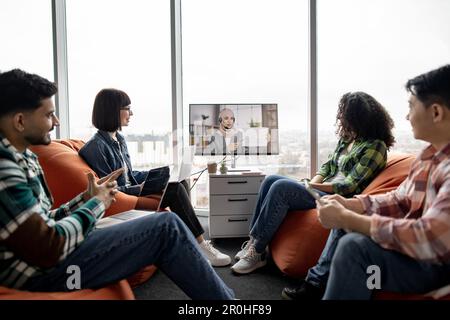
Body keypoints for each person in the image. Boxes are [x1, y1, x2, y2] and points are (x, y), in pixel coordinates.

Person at [0, 69, 234, 299]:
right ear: (20, 121)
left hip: (48, 256)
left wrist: (84, 200)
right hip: (43, 272)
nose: (56, 121)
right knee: (166, 226)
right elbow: (48, 246)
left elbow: (43, 222)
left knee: (168, 215)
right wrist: (97, 205)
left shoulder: (22, 156)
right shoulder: (6, 168)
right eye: (48, 115)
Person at [310, 64, 450, 300]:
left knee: (354, 248)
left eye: (411, 106)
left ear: (436, 112)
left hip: (437, 266)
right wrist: (354, 205)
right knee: (350, 237)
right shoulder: (428, 157)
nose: (407, 116)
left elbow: (430, 237)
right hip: (417, 252)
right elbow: (400, 199)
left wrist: (349, 218)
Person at [231, 91, 395, 277]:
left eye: (345, 114)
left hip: (338, 197)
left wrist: (311, 186)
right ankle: (253, 241)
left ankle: (258, 252)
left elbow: (348, 186)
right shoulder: (349, 139)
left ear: (359, 117)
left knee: (280, 188)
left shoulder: (375, 146)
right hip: (323, 189)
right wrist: (311, 183)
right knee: (271, 179)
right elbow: (327, 167)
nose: (341, 118)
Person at [79, 89, 231, 267]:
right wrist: (143, 187)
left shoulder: (119, 139)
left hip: (132, 192)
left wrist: (162, 173)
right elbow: (109, 190)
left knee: (178, 180)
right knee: (174, 190)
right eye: (127, 108)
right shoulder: (95, 147)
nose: (131, 113)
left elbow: (129, 174)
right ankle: (201, 245)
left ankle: (190, 242)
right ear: (112, 110)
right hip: (123, 200)